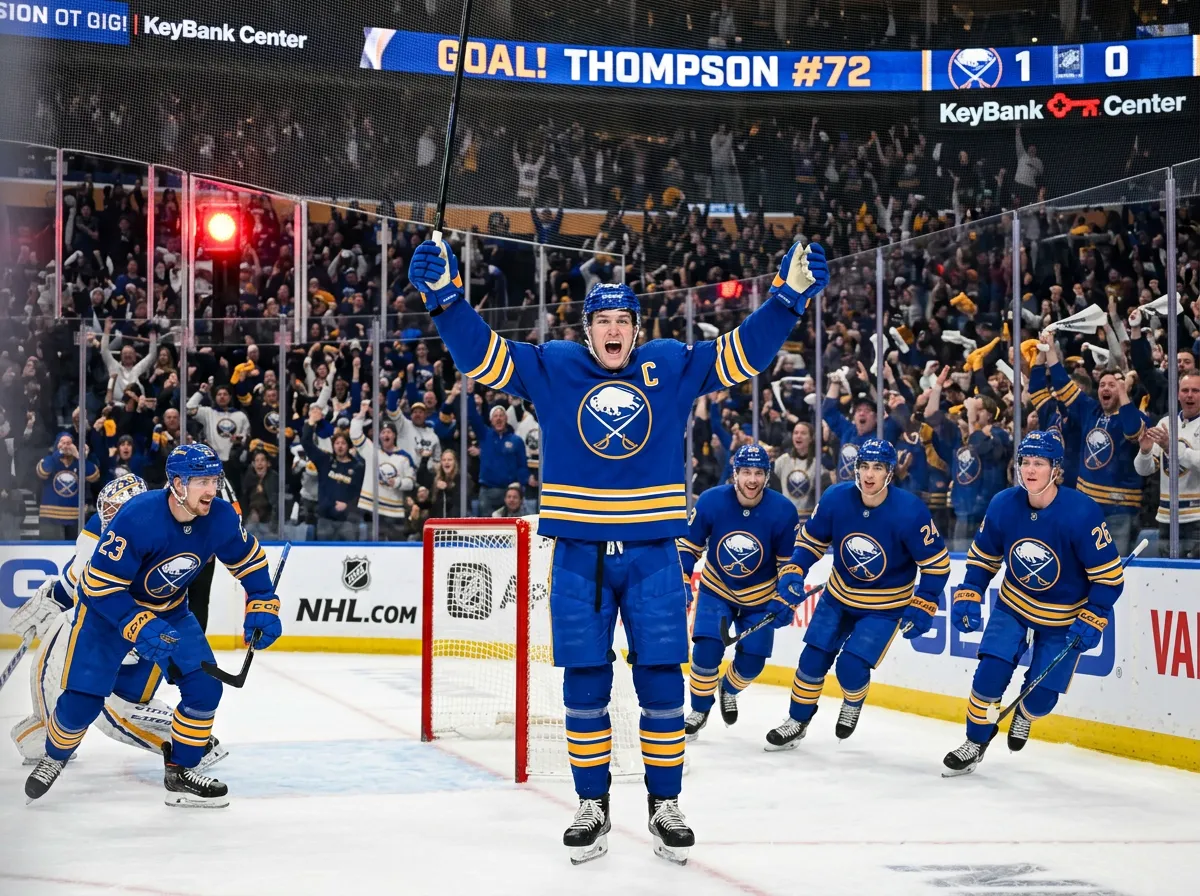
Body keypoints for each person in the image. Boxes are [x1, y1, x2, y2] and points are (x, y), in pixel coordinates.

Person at [410, 234, 828, 865]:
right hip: (578, 554)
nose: (614, 330)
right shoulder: (554, 367)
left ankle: (664, 804)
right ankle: (592, 805)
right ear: (588, 331)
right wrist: (444, 298)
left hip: (653, 553)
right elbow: (483, 356)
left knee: (662, 682)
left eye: (623, 321)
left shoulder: (671, 365)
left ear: (637, 330)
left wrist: (788, 298)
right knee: (585, 685)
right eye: (603, 320)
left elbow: (745, 353)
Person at [23, 444, 283, 808]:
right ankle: (54, 755)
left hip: (170, 611)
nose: (212, 489)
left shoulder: (220, 517)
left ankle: (181, 773)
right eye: (202, 481)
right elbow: (98, 585)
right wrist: (137, 622)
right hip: (106, 616)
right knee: (82, 702)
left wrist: (262, 602)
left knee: (205, 689)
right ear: (177, 484)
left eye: (215, 480)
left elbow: (248, 559)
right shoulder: (137, 518)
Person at [9, 474, 226, 771]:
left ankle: (191, 744)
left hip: (146, 633)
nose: (112, 518)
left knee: (114, 710)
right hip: (127, 632)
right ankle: (49, 732)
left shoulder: (161, 531)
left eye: (120, 511)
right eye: (108, 511)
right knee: (93, 701)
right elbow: (79, 580)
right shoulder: (99, 533)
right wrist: (51, 596)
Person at [942, 431, 1125, 777]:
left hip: (1064, 616)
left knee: (1042, 698)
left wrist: (1096, 612)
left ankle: (1024, 714)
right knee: (988, 675)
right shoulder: (1003, 504)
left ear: (1055, 469)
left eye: (1039, 463)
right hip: (1014, 603)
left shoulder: (1081, 512)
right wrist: (971, 590)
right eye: (1025, 462)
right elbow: (984, 557)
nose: (1030, 469)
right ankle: (975, 741)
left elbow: (1110, 577)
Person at [767, 438, 950, 750]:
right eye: (864, 466)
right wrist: (794, 570)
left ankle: (852, 701)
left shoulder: (909, 511)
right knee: (811, 660)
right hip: (838, 597)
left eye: (877, 467)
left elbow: (937, 564)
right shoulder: (837, 497)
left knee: (850, 667)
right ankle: (797, 721)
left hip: (885, 606)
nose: (868, 474)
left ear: (890, 473)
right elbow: (811, 542)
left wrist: (926, 600)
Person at [677, 444, 798, 741]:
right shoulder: (711, 501)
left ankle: (728, 688)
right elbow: (689, 546)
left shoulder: (783, 510)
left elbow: (789, 564)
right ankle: (699, 710)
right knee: (706, 650)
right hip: (717, 589)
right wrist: (680, 580)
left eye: (758, 473)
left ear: (767, 476)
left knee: (753, 662)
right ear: (735, 474)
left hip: (760, 598)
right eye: (746, 472)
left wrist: (786, 595)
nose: (752, 480)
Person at [1133, 370, 1200, 558]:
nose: (1189, 395)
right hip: (1165, 517)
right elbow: (1144, 470)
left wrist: (1171, 448)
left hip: (1196, 519)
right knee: (1166, 575)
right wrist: (1145, 451)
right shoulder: (1166, 422)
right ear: (1177, 394)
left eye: (1195, 390)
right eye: (1185, 390)